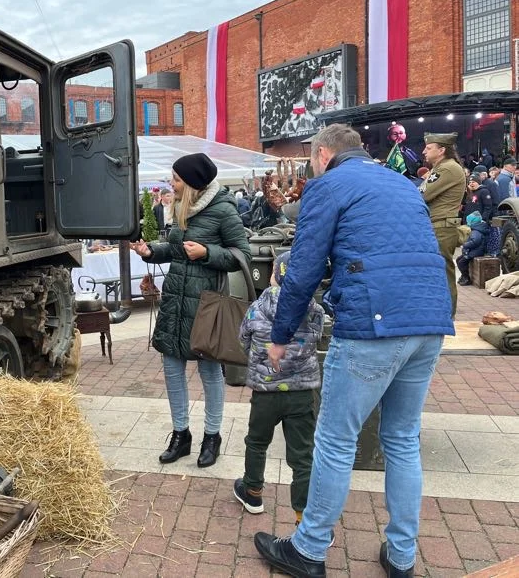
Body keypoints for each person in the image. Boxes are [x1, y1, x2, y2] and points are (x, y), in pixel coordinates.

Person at [253, 124, 454, 578]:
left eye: (310, 158)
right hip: (429, 318)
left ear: (323, 154)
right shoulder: (402, 182)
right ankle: (401, 556)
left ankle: (309, 549)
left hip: (373, 322)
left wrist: (281, 334)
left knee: (336, 440)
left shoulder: (328, 185)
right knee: (402, 440)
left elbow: (302, 269)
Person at [130, 153, 251, 468]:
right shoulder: (182, 208)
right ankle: (180, 434)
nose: (172, 183)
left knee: (209, 371)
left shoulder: (223, 210)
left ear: (194, 183)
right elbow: (175, 250)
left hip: (206, 305)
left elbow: (242, 254)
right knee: (172, 370)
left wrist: (208, 252)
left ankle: (212, 436)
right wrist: (150, 251)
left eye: (177, 179)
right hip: (175, 300)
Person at [234, 251, 324, 526]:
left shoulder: (257, 308)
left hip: (265, 392)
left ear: (274, 275)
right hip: (301, 394)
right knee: (302, 455)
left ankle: (253, 492)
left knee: (257, 442)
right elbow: (317, 340)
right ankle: (302, 515)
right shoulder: (315, 310)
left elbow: (243, 340)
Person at [419, 132, 467, 318]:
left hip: (441, 228)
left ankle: (446, 316)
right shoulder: (445, 168)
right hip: (439, 226)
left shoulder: (446, 169)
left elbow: (422, 194)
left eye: (428, 148)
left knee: (442, 272)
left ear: (441, 150)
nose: (424, 151)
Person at [457, 211, 490, 286]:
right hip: (475, 250)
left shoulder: (476, 231)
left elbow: (475, 242)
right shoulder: (478, 228)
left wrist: (465, 245)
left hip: (476, 251)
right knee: (459, 259)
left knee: (461, 262)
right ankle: (463, 275)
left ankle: (466, 277)